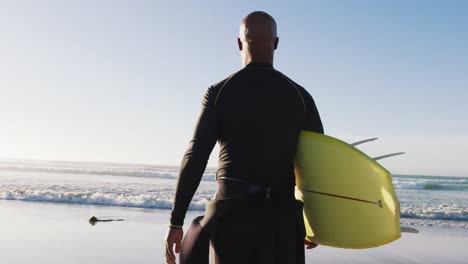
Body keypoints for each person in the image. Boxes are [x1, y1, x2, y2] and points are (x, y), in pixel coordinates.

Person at [165, 11, 323, 264]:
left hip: (232, 220)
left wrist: (176, 221)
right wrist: (316, 221)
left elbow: (195, 156)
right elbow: (317, 166)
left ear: (239, 44)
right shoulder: (301, 97)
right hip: (282, 222)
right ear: (277, 43)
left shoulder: (219, 93)